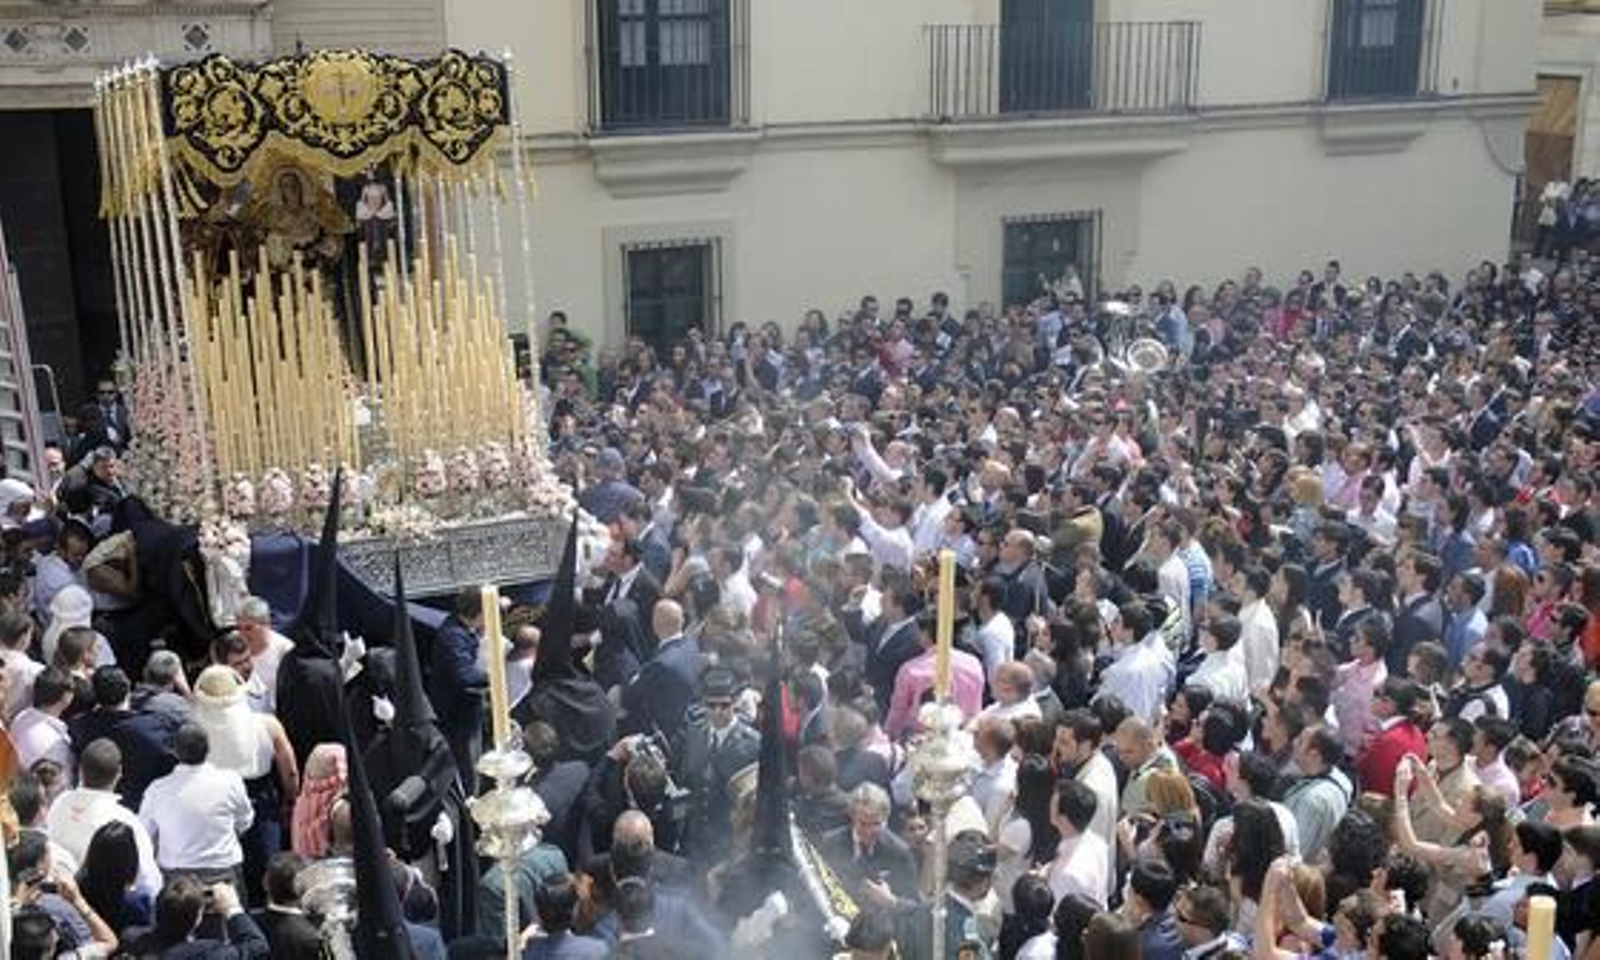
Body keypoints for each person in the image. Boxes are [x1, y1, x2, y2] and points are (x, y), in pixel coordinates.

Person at [138, 723, 254, 891]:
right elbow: (245, 821)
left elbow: (145, 835)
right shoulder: (231, 782)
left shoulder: (157, 789)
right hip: (224, 873)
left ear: (175, 752)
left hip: (176, 879)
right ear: (208, 749)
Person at [430, 587, 490, 789]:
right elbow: (464, 676)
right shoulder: (453, 637)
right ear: (479, 614)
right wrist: (494, 675)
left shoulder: (461, 628)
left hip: (465, 710)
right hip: (458, 715)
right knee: (468, 762)